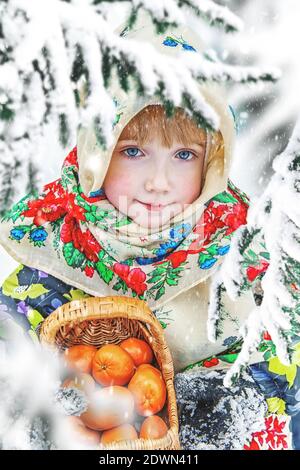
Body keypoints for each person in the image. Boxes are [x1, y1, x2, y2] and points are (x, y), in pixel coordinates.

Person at [0, 11, 298, 450]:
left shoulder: (239, 250)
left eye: (184, 155)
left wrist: (235, 404)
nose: (159, 182)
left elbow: (283, 357)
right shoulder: (57, 244)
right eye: (134, 150)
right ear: (97, 151)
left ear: (212, 160)